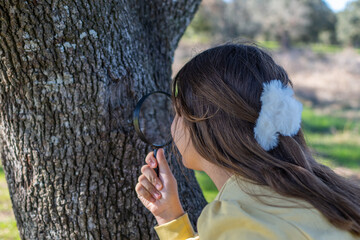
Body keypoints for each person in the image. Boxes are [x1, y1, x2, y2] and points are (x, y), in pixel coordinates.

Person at [135, 43, 360, 239]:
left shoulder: (238, 220)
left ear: (206, 125)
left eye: (178, 112)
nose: (173, 124)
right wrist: (169, 216)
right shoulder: (325, 196)